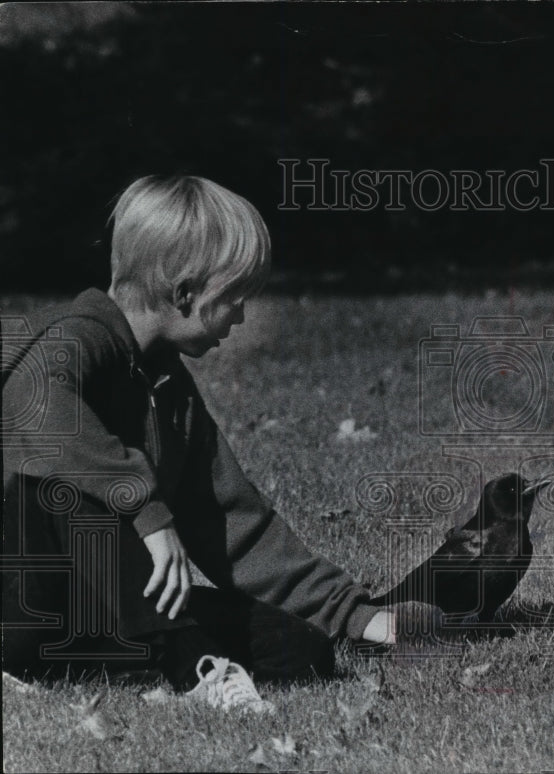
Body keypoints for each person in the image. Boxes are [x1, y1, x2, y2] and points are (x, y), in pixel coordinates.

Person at [2, 175, 396, 711]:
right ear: (183, 292)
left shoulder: (170, 388)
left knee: (299, 651)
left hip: (98, 606)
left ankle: (109, 664)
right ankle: (194, 666)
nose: (241, 316)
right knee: (62, 486)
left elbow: (232, 518)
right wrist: (145, 507)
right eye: (234, 298)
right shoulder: (75, 337)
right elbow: (38, 399)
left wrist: (352, 614)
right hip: (21, 595)